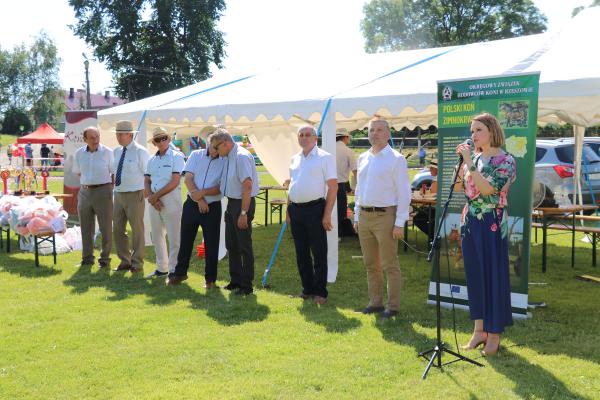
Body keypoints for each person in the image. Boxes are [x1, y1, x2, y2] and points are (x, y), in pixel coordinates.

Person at [455, 113, 516, 357]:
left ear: (492, 131)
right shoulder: (474, 158)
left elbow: (487, 190)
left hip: (492, 222)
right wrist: (460, 167)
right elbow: (459, 189)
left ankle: (494, 334)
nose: (473, 135)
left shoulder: (506, 160)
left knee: (493, 276)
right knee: (475, 275)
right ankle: (479, 330)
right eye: (472, 131)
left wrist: (469, 163)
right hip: (470, 221)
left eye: (478, 130)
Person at [354, 117, 411, 319]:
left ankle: (393, 306)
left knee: (389, 264)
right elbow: (359, 189)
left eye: (379, 130)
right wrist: (356, 216)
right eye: (371, 130)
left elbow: (404, 193)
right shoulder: (362, 157)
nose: (375, 134)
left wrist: (399, 223)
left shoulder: (396, 159)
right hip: (365, 216)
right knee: (371, 264)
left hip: (386, 216)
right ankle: (375, 303)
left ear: (388, 134)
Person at [167, 130, 225, 287]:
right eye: (214, 146)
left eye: (219, 147)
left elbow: (221, 187)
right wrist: (199, 199)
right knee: (185, 240)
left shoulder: (225, 161)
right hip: (192, 205)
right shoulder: (195, 155)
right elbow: (188, 178)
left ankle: (210, 280)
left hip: (212, 207)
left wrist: (203, 194)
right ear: (208, 143)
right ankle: (180, 273)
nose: (216, 150)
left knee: (212, 244)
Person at [286, 126, 337, 305]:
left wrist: (327, 214)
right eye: (301, 135)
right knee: (301, 253)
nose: (304, 137)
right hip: (295, 209)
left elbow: (333, 187)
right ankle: (307, 289)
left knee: (319, 252)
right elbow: (291, 185)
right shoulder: (294, 159)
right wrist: (288, 210)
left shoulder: (325, 157)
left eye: (308, 135)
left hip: (315, 209)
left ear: (316, 138)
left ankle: (320, 291)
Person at [210, 128, 259, 295]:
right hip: (232, 203)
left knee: (244, 245)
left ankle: (246, 285)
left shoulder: (241, 156)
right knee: (231, 244)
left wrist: (243, 213)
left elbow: (247, 186)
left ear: (225, 143)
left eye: (216, 147)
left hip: (241, 203)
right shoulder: (228, 156)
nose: (215, 151)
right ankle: (236, 280)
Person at [144, 127, 185, 279]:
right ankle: (162, 268)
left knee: (174, 237)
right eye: (158, 139)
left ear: (168, 139)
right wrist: (152, 198)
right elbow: (147, 180)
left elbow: (175, 181)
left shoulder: (177, 156)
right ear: (154, 143)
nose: (161, 141)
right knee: (156, 235)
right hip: (154, 199)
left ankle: (174, 269)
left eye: (164, 138)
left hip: (171, 198)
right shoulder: (151, 159)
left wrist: (155, 197)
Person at [72, 126, 114, 268]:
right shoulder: (79, 153)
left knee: (105, 228)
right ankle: (87, 258)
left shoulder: (108, 152)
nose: (95, 140)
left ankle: (105, 259)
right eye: (92, 138)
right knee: (85, 227)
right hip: (84, 192)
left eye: (97, 137)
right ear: (85, 139)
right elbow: (78, 172)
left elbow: (113, 173)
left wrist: (109, 189)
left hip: (103, 191)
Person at [112, 120, 150, 274]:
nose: (118, 137)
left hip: (135, 194)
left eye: (121, 134)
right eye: (117, 134)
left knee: (137, 229)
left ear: (130, 135)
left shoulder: (141, 151)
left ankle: (137, 263)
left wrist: (146, 192)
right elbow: (114, 171)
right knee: (117, 229)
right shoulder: (116, 151)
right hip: (119, 193)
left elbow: (148, 174)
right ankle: (125, 260)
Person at [335, 129, 358, 237]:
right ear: (345, 137)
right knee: (340, 210)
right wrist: (359, 186)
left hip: (325, 185)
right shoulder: (348, 151)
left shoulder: (326, 148)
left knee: (328, 209)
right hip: (340, 185)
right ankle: (339, 233)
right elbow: (355, 171)